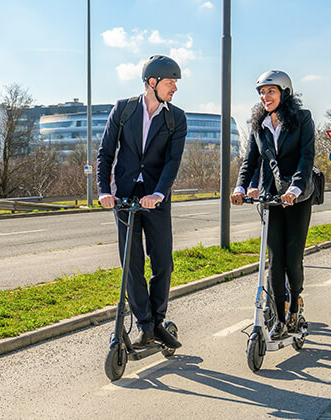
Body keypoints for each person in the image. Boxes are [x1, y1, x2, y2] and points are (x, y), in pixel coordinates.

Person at [97, 55, 187, 349]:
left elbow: (172, 162)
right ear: (153, 82)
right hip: (123, 198)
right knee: (131, 265)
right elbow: (106, 152)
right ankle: (146, 326)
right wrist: (103, 191)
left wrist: (159, 194)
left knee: (163, 262)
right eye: (171, 82)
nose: (174, 87)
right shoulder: (123, 110)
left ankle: (158, 320)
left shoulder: (176, 118)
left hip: (156, 198)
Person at [230, 70, 315, 340]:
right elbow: (250, 161)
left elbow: (306, 158)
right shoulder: (260, 125)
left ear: (285, 93)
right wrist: (241, 187)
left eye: (271, 91)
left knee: (292, 257)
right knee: (275, 259)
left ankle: (296, 302)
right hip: (272, 198)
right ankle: (279, 317)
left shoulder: (302, 119)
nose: (265, 97)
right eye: (262, 92)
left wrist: (295, 188)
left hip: (298, 196)